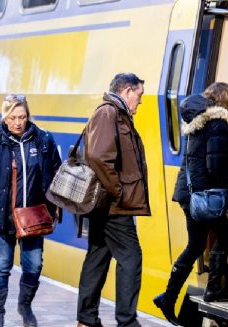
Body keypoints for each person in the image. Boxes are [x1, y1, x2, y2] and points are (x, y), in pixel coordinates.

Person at [0, 94, 61, 327]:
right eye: (12, 118)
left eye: (22, 117)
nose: (18, 123)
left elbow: (55, 175)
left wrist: (55, 208)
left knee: (34, 265)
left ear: (28, 116)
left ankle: (25, 305)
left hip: (33, 217)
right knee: (2, 266)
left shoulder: (43, 141)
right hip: (2, 218)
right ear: (4, 117)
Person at [154, 82, 228, 325]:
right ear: (225, 99)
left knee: (196, 244)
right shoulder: (219, 125)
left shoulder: (195, 124)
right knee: (225, 233)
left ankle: (169, 297)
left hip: (188, 194)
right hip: (202, 196)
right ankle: (211, 290)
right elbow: (215, 165)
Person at [77, 73, 150, 327]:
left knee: (98, 256)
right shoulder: (109, 113)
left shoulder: (115, 114)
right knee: (131, 257)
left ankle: (86, 320)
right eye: (139, 96)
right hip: (112, 205)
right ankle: (127, 321)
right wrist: (118, 192)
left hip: (108, 204)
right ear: (127, 91)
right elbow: (98, 157)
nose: (139, 103)